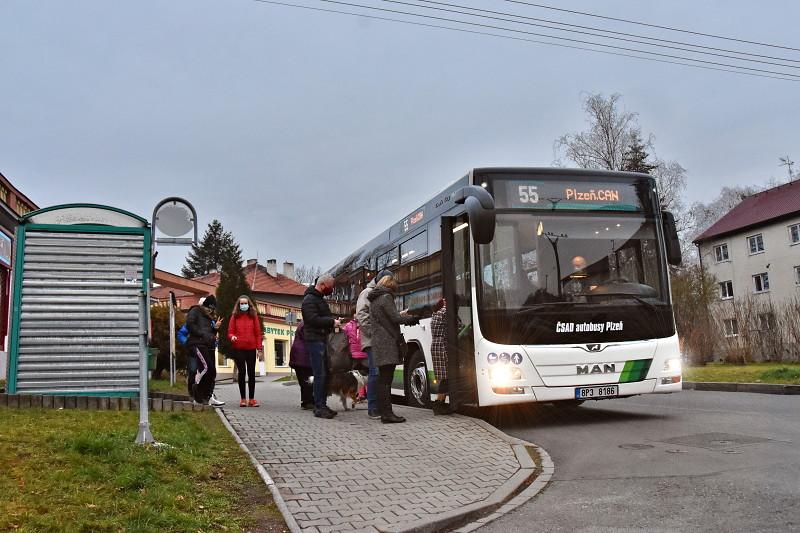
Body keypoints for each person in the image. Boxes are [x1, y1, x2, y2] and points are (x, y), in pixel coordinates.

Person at [368, 275, 419, 423]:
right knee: (386, 380)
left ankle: (384, 412)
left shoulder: (374, 299)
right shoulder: (386, 297)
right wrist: (412, 319)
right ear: (390, 285)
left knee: (382, 379)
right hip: (387, 342)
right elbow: (395, 318)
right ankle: (387, 414)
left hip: (379, 341)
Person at [301, 274, 341, 419]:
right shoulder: (309, 300)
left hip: (321, 339)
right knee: (320, 374)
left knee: (325, 374)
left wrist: (332, 321)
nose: (331, 289)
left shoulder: (317, 299)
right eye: (330, 286)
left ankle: (322, 404)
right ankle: (319, 407)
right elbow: (312, 319)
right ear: (323, 285)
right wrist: (331, 322)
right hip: (315, 340)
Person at [356, 269, 394, 419]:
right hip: (373, 340)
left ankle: (381, 406)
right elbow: (362, 315)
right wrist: (375, 333)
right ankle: (373, 407)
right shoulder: (367, 293)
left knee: (381, 373)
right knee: (375, 372)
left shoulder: (381, 293)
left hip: (381, 339)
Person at [186, 295, 224, 406]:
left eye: (212, 309)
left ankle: (206, 396)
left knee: (212, 371)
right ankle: (197, 391)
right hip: (197, 344)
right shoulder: (195, 310)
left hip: (207, 345)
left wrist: (215, 329)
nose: (210, 310)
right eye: (208, 308)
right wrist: (203, 335)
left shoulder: (209, 317)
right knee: (206, 368)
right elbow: (190, 325)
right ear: (204, 305)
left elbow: (210, 334)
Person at [228, 294, 263, 408]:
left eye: (245, 303)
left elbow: (258, 333)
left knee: (251, 373)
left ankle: (252, 399)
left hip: (251, 348)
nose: (244, 305)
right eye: (241, 303)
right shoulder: (235, 316)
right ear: (238, 305)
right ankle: (243, 399)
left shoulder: (253, 316)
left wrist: (259, 349)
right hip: (238, 348)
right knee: (242, 373)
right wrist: (232, 336)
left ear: (249, 304)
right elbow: (230, 331)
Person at [430, 298, 456, 415]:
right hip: (442, 346)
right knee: (445, 377)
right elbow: (457, 326)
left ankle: (440, 403)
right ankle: (438, 404)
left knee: (442, 376)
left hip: (435, 345)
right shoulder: (445, 311)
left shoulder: (435, 312)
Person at [289, 321, 314, 410]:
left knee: (304, 381)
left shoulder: (302, 324)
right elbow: (310, 339)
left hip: (298, 357)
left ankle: (306, 401)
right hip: (303, 357)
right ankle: (308, 402)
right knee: (307, 381)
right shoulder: (307, 325)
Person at [343, 313, 367, 401]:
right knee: (361, 376)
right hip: (356, 354)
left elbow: (343, 335)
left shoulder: (350, 325)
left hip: (363, 353)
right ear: (353, 314)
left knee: (361, 376)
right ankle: (361, 394)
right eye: (355, 312)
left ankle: (362, 395)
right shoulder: (363, 323)